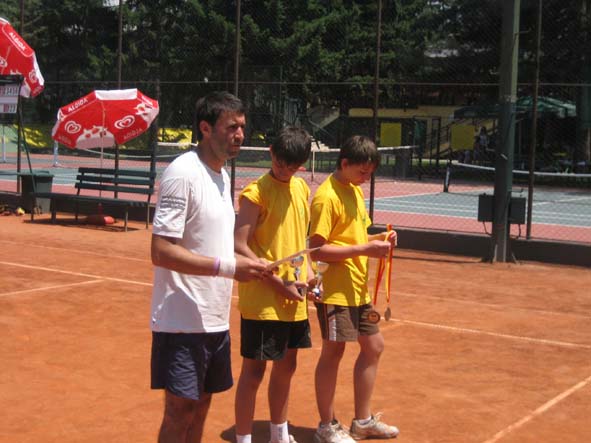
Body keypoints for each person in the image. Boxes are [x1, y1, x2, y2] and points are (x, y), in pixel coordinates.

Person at [149, 91, 268, 443]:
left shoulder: (222, 176)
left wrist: (253, 263)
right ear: (205, 128)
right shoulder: (182, 173)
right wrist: (229, 268)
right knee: (180, 410)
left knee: (201, 405)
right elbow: (161, 251)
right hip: (181, 321)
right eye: (232, 127)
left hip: (214, 319)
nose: (240, 135)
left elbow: (217, 242)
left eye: (242, 127)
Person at [308, 135, 399, 443]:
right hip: (335, 291)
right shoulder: (326, 197)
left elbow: (356, 237)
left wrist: (379, 239)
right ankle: (326, 426)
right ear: (344, 163)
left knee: (374, 346)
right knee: (333, 352)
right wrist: (364, 249)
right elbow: (316, 251)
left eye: (370, 173)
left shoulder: (354, 191)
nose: (366, 178)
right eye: (362, 172)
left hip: (358, 290)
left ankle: (362, 421)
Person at [233, 126, 314, 443]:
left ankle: (279, 434)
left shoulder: (301, 189)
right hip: (263, 299)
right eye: (280, 162)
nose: (284, 169)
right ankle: (243, 438)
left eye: (292, 166)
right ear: (271, 153)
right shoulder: (256, 192)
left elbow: (300, 241)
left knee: (287, 365)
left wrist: (309, 274)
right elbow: (239, 245)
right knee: (254, 371)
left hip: (293, 297)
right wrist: (278, 282)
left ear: (301, 166)